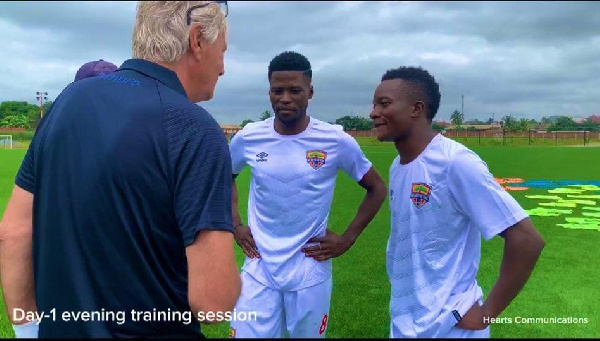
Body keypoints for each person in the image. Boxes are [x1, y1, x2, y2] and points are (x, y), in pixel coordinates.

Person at [0, 1, 240, 338]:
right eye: (223, 51)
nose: (223, 68)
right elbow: (213, 303)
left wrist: (26, 329)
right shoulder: (195, 129)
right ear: (197, 40)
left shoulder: (68, 102)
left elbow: (13, 232)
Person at [369, 66, 545, 338]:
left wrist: (488, 312)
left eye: (384, 104)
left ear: (416, 109)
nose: (373, 112)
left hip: (450, 325)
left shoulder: (455, 163)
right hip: (406, 320)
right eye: (374, 103)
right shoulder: (397, 166)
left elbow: (526, 239)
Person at [228, 51, 387, 338]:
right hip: (258, 268)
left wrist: (346, 239)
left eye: (295, 90)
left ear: (310, 92)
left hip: (309, 270)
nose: (285, 98)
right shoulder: (249, 137)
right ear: (269, 92)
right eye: (278, 90)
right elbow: (224, 177)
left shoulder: (335, 140)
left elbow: (377, 188)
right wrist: (235, 225)